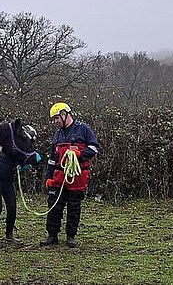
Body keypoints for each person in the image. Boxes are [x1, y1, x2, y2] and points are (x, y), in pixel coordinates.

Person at [40, 102, 99, 248]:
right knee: (54, 206)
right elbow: (52, 158)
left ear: (64, 114)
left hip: (76, 177)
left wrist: (80, 154)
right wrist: (48, 176)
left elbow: (94, 148)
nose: (55, 122)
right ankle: (52, 235)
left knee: (74, 207)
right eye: (54, 119)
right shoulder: (57, 134)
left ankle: (70, 236)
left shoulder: (83, 129)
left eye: (56, 118)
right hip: (58, 177)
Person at [0, 125, 41, 247]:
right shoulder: (11, 143)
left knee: (12, 208)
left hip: (7, 178)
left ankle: (9, 235)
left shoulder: (21, 146)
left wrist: (25, 164)